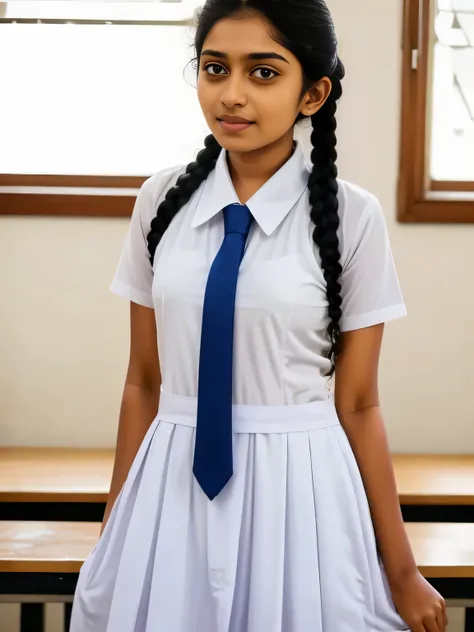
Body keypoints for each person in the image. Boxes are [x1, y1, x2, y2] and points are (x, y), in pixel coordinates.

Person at [70, 0, 448, 630]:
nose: (231, 94)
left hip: (299, 486)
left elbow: (358, 404)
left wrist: (402, 571)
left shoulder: (353, 217)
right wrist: (117, 522)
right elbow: (143, 380)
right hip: (170, 481)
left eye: (263, 72)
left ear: (313, 93)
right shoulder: (160, 202)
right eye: (215, 69)